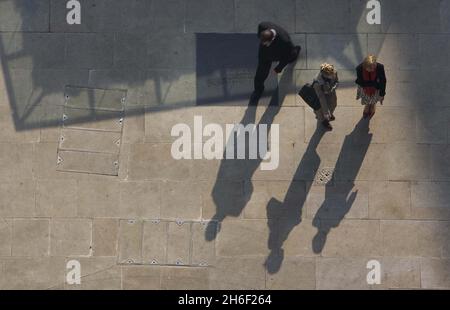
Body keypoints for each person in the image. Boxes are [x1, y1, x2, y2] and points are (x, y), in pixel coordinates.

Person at [251, 21, 301, 104]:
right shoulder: (262, 26)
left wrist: (278, 69)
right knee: (260, 74)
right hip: (264, 57)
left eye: (266, 43)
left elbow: (285, 58)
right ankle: (258, 90)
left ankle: (296, 50)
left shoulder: (284, 41)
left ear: (272, 39)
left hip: (279, 54)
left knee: (291, 55)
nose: (263, 44)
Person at [313, 63, 339, 131]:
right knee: (321, 112)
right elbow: (321, 98)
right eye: (331, 75)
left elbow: (336, 81)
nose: (333, 75)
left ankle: (329, 114)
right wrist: (326, 112)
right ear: (325, 75)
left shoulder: (334, 72)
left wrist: (333, 88)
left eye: (333, 74)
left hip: (331, 94)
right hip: (321, 99)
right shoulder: (317, 82)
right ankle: (324, 121)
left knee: (333, 105)